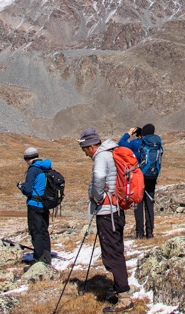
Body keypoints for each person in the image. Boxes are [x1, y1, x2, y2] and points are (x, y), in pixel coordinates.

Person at [79, 126, 132, 313]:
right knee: (115, 250)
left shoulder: (101, 156)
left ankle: (124, 298)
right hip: (115, 211)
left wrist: (98, 197)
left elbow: (99, 176)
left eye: (84, 150)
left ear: (91, 146)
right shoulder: (110, 154)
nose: (85, 154)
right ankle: (119, 290)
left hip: (107, 213)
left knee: (112, 254)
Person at [119, 123, 162, 239]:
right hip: (152, 177)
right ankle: (150, 232)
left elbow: (120, 144)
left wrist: (128, 133)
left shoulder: (136, 143)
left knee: (138, 204)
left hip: (139, 178)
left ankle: (139, 233)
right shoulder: (156, 144)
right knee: (149, 204)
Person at [17, 147, 52, 264]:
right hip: (44, 204)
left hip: (34, 204)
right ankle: (47, 259)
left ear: (27, 159)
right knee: (44, 231)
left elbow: (27, 190)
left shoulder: (33, 169)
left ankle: (39, 260)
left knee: (35, 232)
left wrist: (21, 187)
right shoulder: (46, 166)